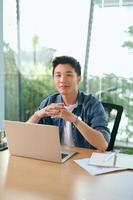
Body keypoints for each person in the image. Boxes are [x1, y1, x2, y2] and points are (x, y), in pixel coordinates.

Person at [27, 55, 110, 151]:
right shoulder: (48, 102)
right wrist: (38, 115)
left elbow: (103, 145)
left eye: (69, 75)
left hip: (83, 161)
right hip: (55, 159)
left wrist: (75, 120)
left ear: (79, 78)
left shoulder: (92, 105)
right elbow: (24, 136)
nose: (62, 80)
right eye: (58, 75)